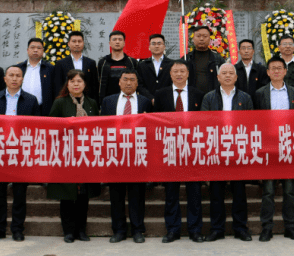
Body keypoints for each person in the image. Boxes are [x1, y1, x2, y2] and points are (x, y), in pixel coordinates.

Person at [0, 65, 41, 242]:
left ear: (22, 79)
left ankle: (17, 228)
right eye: (11, 75)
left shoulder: (31, 100)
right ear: (5, 79)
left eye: (18, 75)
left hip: (21, 151)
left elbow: (36, 127)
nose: (15, 78)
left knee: (19, 193)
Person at [153, 60, 205, 243]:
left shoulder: (199, 95)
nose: (179, 74)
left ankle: (195, 229)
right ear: (170, 74)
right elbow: (155, 124)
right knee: (171, 192)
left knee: (194, 192)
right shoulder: (160, 95)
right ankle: (173, 230)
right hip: (170, 149)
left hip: (193, 148)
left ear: (188, 73)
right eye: (176, 71)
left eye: (183, 71)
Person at [201, 62, 254, 242]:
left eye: (231, 73)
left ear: (236, 77)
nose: (228, 75)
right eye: (224, 73)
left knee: (239, 191)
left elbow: (250, 124)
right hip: (216, 147)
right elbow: (204, 123)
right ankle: (217, 229)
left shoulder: (245, 97)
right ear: (218, 77)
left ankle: (240, 228)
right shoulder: (209, 97)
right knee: (216, 192)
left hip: (238, 148)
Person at [254, 56, 294, 242]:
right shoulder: (260, 93)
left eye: (279, 68)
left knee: (289, 189)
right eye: (272, 68)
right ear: (267, 72)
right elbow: (255, 122)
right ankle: (266, 227)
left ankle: (290, 227)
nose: (276, 71)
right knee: (268, 190)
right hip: (268, 147)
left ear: (285, 71)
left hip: (289, 145)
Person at [47, 70, 101, 243]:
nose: (76, 84)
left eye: (79, 81)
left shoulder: (92, 103)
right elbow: (51, 129)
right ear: (67, 84)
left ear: (85, 85)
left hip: (86, 156)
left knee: (83, 196)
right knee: (67, 196)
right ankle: (68, 231)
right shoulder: (60, 103)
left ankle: (81, 231)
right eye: (72, 81)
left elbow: (98, 129)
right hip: (66, 156)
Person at [100, 69, 152, 243]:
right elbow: (102, 128)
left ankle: (138, 230)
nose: (129, 83)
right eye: (125, 79)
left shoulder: (145, 102)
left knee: (137, 194)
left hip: (137, 153)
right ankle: (119, 230)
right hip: (115, 153)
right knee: (116, 195)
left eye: (132, 80)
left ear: (137, 84)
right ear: (119, 82)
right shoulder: (108, 101)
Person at [52, 31, 99, 104]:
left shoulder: (91, 63)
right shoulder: (60, 63)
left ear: (83, 43)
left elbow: (94, 86)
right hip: (66, 102)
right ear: (69, 44)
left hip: (87, 102)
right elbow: (58, 86)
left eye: (79, 41)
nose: (77, 44)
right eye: (74, 41)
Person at [15, 37, 55, 116]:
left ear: (43, 51)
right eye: (32, 47)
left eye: (39, 48)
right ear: (27, 50)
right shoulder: (19, 68)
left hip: (43, 111)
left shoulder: (50, 69)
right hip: (21, 109)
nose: (35, 50)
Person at [98, 31, 140, 100]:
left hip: (128, 100)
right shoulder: (103, 62)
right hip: (107, 101)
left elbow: (138, 83)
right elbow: (98, 83)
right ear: (109, 43)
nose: (117, 42)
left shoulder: (132, 62)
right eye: (114, 39)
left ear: (124, 43)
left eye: (120, 39)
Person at [185, 26, 225, 94]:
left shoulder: (217, 58)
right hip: (192, 97)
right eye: (198, 36)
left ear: (210, 39)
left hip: (212, 97)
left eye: (205, 36)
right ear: (193, 38)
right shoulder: (187, 58)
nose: (201, 39)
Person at [137, 34, 174, 98]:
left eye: (159, 44)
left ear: (164, 46)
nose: (156, 46)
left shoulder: (172, 64)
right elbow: (139, 85)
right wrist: (151, 98)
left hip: (167, 100)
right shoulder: (142, 65)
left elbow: (174, 83)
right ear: (149, 47)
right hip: (147, 101)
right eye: (153, 44)